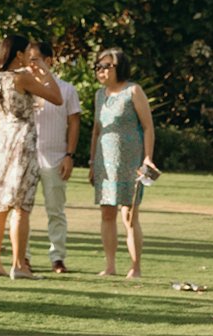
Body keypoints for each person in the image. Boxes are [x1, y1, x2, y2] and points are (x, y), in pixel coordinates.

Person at [0, 33, 63, 279]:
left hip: (1, 140)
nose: (31, 56)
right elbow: (57, 98)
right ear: (19, 54)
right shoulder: (22, 78)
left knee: (0, 205)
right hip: (22, 141)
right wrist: (44, 72)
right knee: (21, 205)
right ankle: (19, 265)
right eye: (28, 51)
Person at [89, 48, 157, 279]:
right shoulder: (99, 95)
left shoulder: (133, 91)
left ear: (120, 67)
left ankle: (135, 267)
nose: (101, 71)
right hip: (104, 162)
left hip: (130, 161)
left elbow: (148, 127)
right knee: (107, 213)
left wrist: (147, 158)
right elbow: (96, 131)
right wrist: (91, 162)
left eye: (106, 66)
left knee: (129, 215)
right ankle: (110, 265)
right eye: (98, 66)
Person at [31, 39, 81, 274]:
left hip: (55, 157)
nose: (30, 65)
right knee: (22, 211)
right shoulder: (25, 88)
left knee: (55, 210)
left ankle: (57, 257)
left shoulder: (67, 89)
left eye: (35, 59)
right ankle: (24, 256)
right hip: (28, 158)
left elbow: (74, 123)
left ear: (49, 60)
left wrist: (69, 155)